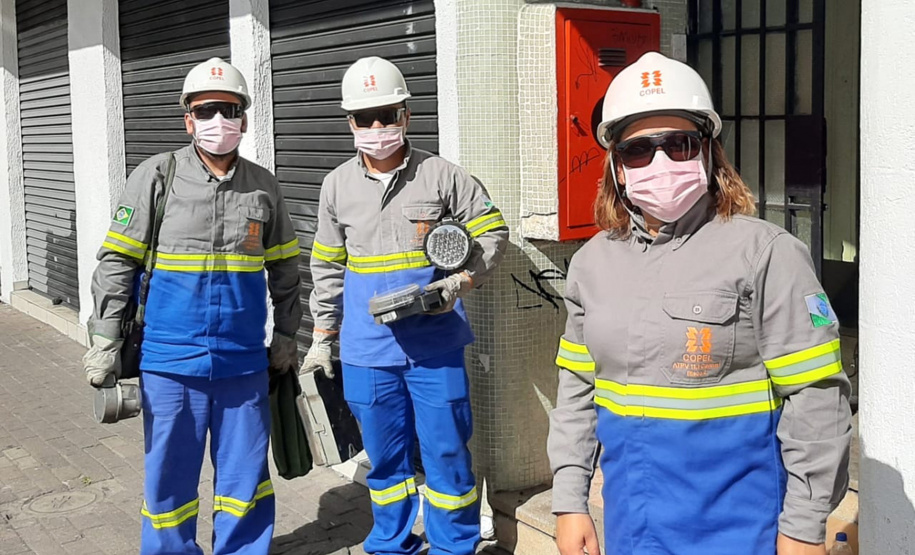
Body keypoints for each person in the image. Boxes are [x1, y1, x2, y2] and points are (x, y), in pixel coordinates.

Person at [548, 51, 851, 555]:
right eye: (638, 151)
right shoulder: (592, 264)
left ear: (709, 153)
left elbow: (817, 398)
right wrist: (569, 501)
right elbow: (577, 389)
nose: (660, 163)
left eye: (679, 145)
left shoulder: (766, 254)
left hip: (742, 528)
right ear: (616, 167)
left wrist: (803, 525)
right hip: (631, 522)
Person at [83, 57, 303, 554]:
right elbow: (117, 262)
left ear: (244, 119)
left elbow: (286, 271)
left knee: (245, 484)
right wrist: (104, 339)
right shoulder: (157, 177)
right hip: (170, 362)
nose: (217, 121)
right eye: (206, 111)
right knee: (169, 484)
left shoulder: (263, 186)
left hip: (243, 363)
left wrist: (287, 336)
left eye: (228, 110)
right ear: (188, 119)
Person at [300, 56, 509, 555]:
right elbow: (327, 268)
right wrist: (321, 338)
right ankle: (391, 544)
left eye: (387, 115)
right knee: (386, 458)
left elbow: (492, 231)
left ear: (406, 115)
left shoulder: (441, 176)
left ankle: (452, 545)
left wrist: (462, 279)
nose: (377, 128)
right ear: (350, 123)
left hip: (433, 345)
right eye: (365, 118)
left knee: (446, 450)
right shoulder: (337, 186)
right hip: (366, 349)